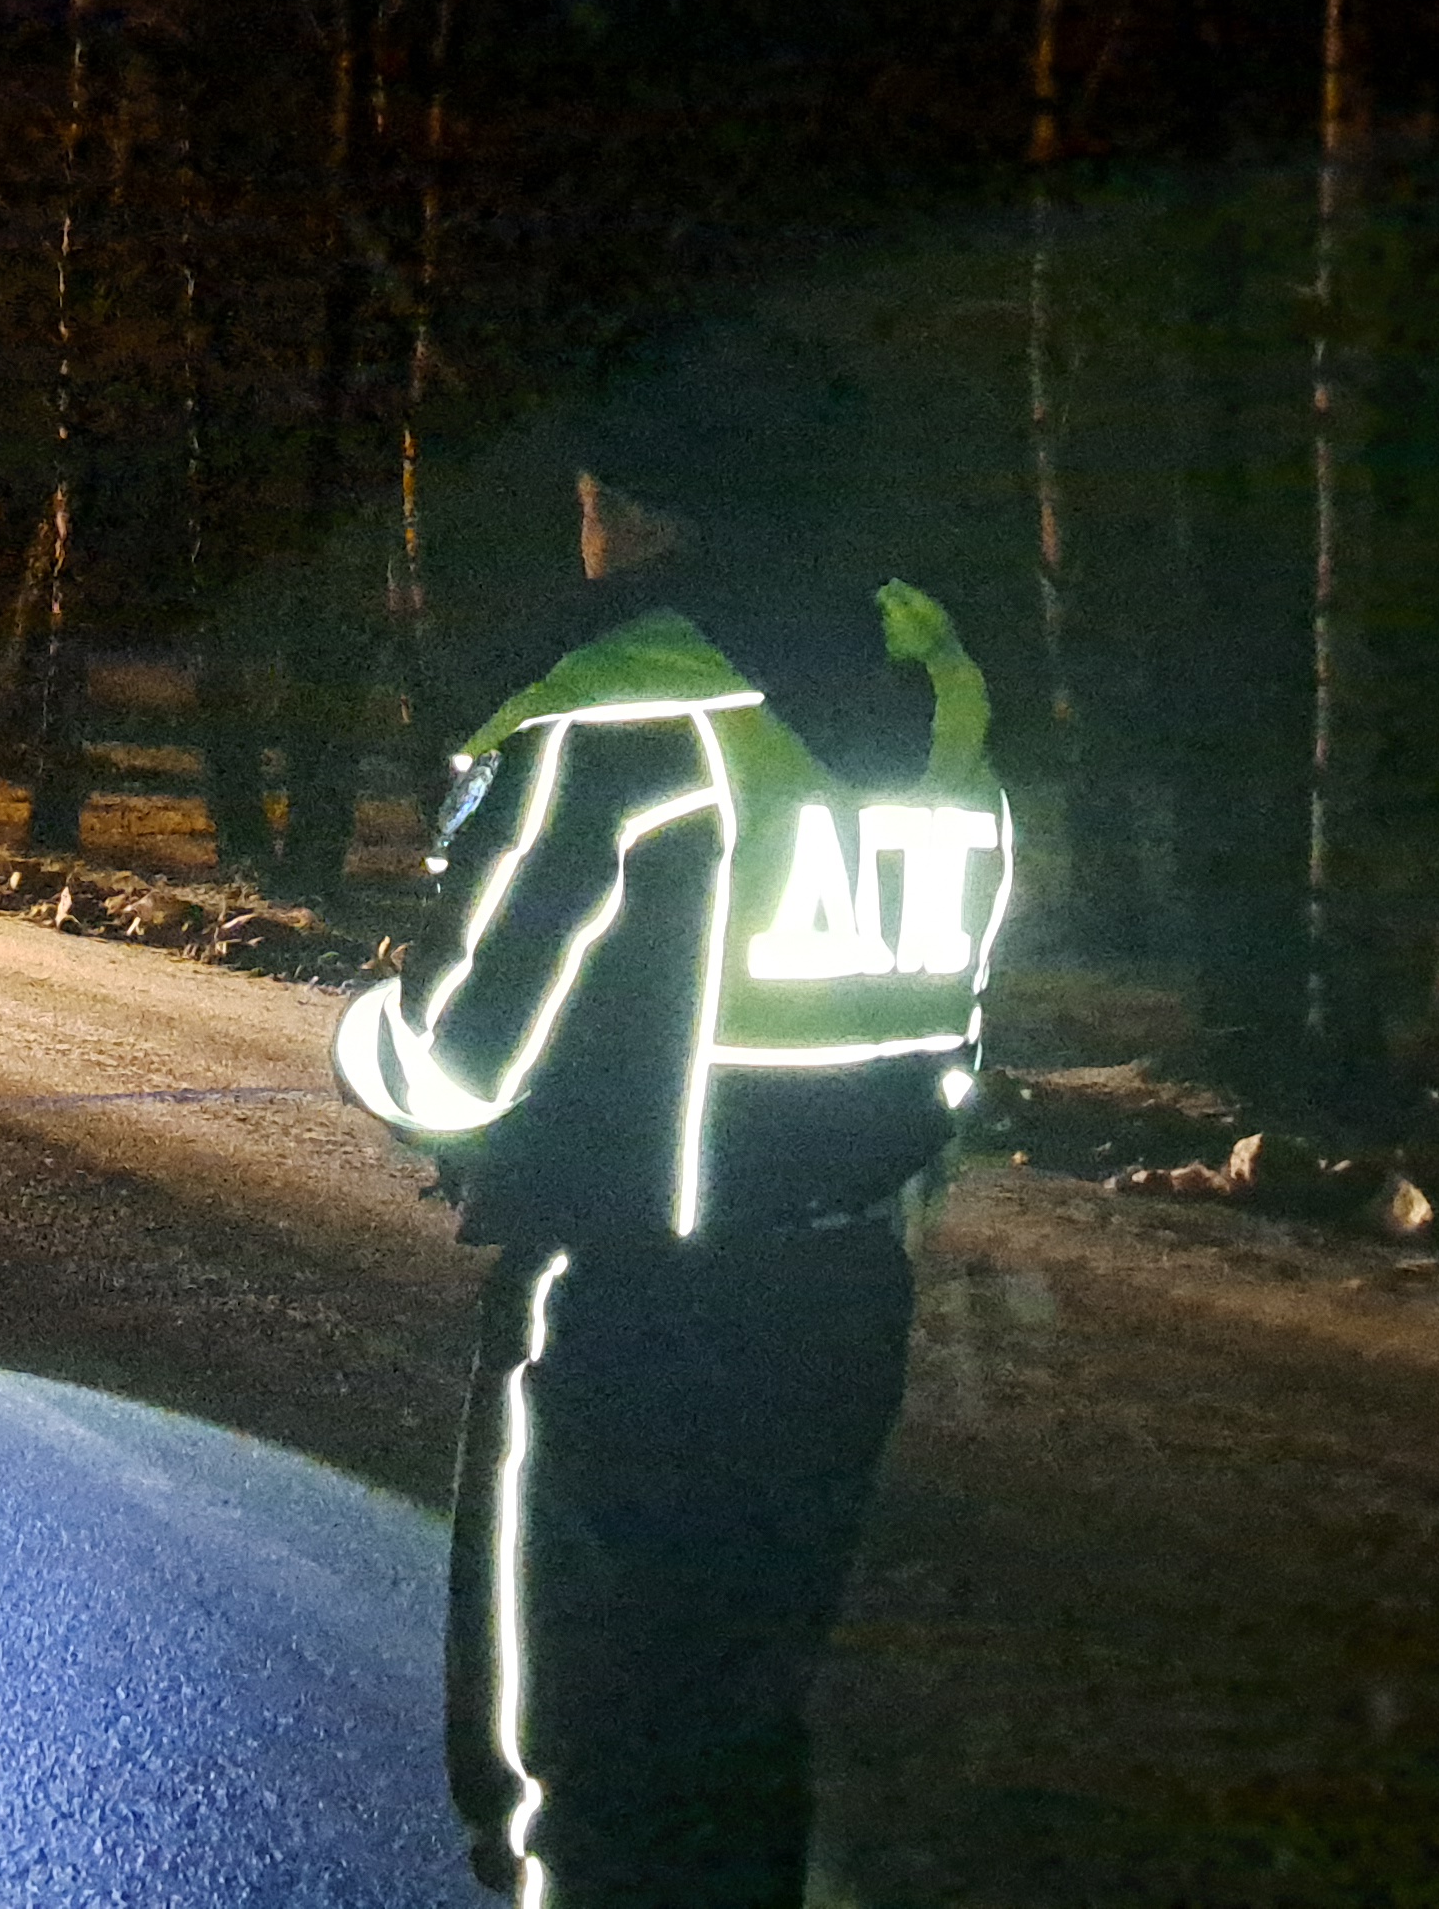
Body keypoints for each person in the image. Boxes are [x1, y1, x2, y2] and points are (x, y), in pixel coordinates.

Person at [328, 476, 1011, 1908]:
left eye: (590, 496)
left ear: (650, 511)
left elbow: (456, 1063)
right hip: (844, 1296)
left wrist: (359, 1044)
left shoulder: (618, 720)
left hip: (627, 1306)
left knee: (567, 1745)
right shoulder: (948, 714)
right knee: (735, 1720)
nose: (580, 525)